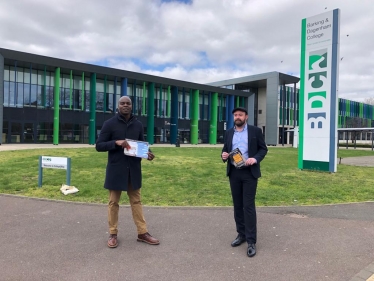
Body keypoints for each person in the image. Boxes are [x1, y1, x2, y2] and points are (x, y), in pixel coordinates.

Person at [96, 96, 159, 248]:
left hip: (133, 170)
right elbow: (99, 145)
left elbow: (142, 144)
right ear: (118, 106)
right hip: (116, 170)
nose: (125, 105)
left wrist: (148, 153)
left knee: (136, 201)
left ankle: (142, 233)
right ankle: (113, 233)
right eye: (122, 103)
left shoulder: (138, 124)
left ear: (132, 106)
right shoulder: (109, 124)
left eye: (128, 103)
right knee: (113, 202)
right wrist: (116, 143)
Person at [221, 107, 267, 257]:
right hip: (234, 172)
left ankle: (251, 241)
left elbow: (263, 149)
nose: (237, 117)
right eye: (235, 115)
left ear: (246, 117)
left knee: (248, 206)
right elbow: (225, 150)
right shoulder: (229, 132)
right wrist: (223, 155)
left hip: (249, 172)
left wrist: (255, 158)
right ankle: (241, 235)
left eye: (240, 115)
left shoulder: (255, 131)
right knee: (237, 206)